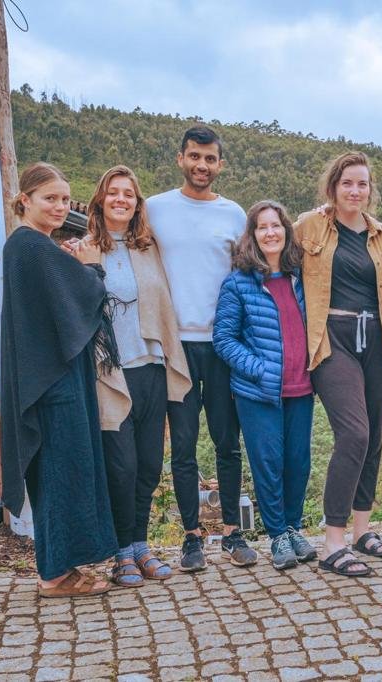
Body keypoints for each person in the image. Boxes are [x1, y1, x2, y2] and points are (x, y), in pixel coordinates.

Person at [0, 162, 118, 597]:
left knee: (61, 471)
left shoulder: (33, 247)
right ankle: (53, 576)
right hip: (53, 384)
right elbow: (86, 295)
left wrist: (74, 266)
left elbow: (59, 303)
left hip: (51, 378)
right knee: (59, 473)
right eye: (50, 198)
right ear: (25, 200)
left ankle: (59, 567)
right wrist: (92, 267)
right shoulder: (30, 246)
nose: (60, 206)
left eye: (65, 199)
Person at [147, 125, 258, 570]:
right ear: (181, 158)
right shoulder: (155, 208)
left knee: (228, 442)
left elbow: (249, 271)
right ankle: (191, 537)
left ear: (220, 165)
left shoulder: (234, 214)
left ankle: (232, 532)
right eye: (194, 156)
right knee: (184, 446)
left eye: (210, 159)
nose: (202, 165)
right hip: (175, 347)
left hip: (222, 346)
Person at [295, 151, 382, 577]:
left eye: (362, 184)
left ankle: (362, 531)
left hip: (379, 339)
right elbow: (270, 248)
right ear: (333, 187)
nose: (355, 191)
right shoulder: (310, 226)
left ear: (370, 189)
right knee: (354, 433)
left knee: (373, 436)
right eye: (347, 183)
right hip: (332, 338)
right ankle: (333, 542)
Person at [83, 165, 191, 586]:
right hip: (111, 375)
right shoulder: (85, 250)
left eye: (128, 193)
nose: (121, 199)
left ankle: (141, 547)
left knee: (148, 466)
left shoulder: (148, 248)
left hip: (152, 368)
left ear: (137, 203)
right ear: (101, 199)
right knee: (121, 467)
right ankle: (121, 552)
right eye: (114, 192)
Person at [214, 201, 316, 570]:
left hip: (301, 387)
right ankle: (276, 536)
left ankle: (293, 527)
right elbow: (224, 339)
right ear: (252, 235)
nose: (270, 232)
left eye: (276, 225)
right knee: (268, 463)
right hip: (259, 392)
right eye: (262, 227)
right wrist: (259, 370)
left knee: (298, 462)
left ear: (286, 230)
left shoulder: (300, 277)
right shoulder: (238, 283)